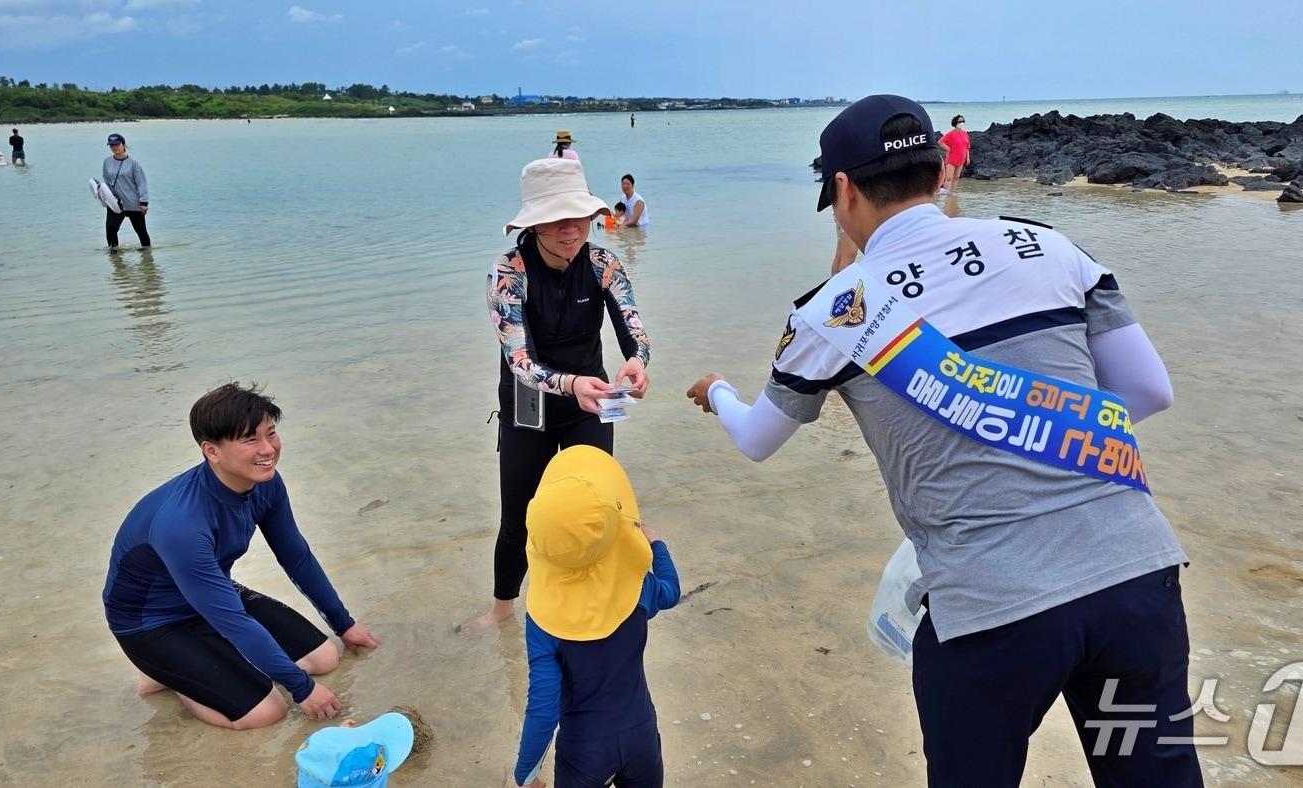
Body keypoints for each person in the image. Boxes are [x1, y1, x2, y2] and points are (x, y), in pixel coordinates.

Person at [685, 95, 1200, 786]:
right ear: (940, 171)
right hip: (1137, 577)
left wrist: (717, 391)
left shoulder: (834, 311)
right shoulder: (1050, 246)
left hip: (991, 610)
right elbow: (1147, 392)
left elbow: (756, 439)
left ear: (843, 190)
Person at [103, 382, 381, 730]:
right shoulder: (181, 524)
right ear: (212, 451)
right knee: (267, 712)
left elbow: (296, 557)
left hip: (211, 597)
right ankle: (174, 679)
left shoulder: (266, 484)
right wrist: (302, 689)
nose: (268, 449)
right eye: (250, 439)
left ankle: (210, 663)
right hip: (152, 624)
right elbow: (231, 619)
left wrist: (344, 623)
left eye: (271, 433)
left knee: (325, 657)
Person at [480, 157, 651, 628]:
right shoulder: (508, 273)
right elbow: (521, 361)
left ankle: (600, 604)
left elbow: (634, 328)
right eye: (554, 220)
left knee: (600, 507)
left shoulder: (603, 263)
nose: (569, 229)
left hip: (591, 404)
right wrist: (569, 384)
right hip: (528, 408)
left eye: (577, 216)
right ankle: (502, 611)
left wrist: (638, 361)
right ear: (532, 224)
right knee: (519, 518)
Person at [512, 446, 680, 788]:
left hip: (583, 753)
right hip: (641, 738)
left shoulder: (544, 621)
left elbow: (543, 710)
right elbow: (671, 590)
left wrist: (526, 774)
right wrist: (658, 544)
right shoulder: (639, 589)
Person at [102, 133, 151, 249]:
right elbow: (106, 180)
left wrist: (144, 202)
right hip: (115, 203)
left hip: (133, 204)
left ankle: (148, 256)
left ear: (123, 145)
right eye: (111, 145)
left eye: (117, 145)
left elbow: (141, 183)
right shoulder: (107, 161)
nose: (114, 148)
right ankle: (114, 255)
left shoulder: (134, 164)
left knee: (141, 231)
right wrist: (102, 192)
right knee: (110, 229)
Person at [941, 114, 971, 194]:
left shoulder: (965, 134)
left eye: (963, 121)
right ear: (955, 123)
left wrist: (968, 157)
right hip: (951, 159)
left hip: (961, 159)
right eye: (960, 121)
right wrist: (947, 149)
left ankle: (952, 193)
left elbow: (967, 146)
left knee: (956, 177)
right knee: (949, 178)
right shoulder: (950, 134)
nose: (962, 123)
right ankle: (946, 193)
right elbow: (940, 142)